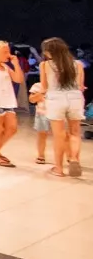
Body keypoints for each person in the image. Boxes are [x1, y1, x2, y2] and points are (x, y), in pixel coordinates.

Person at [41, 37, 86, 177]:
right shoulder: (78, 64)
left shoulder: (45, 65)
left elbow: (44, 87)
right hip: (75, 98)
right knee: (75, 132)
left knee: (59, 135)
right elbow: (80, 86)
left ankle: (59, 168)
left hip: (55, 99)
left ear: (49, 51)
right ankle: (74, 158)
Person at [29, 82, 49, 165]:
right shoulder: (38, 85)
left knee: (63, 135)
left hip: (58, 113)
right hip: (42, 112)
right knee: (41, 135)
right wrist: (41, 93)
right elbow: (31, 99)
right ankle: (41, 155)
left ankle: (69, 156)